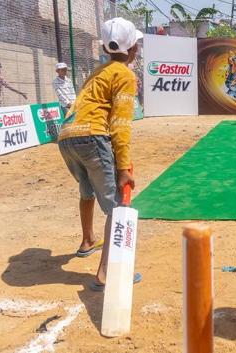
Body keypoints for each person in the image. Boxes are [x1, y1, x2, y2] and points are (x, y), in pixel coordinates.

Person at [57, 17, 143, 291]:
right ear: (134, 49)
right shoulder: (126, 76)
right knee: (118, 206)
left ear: (106, 50)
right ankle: (107, 273)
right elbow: (120, 125)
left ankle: (87, 242)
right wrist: (123, 170)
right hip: (93, 136)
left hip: (68, 136)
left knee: (87, 191)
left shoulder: (98, 72)